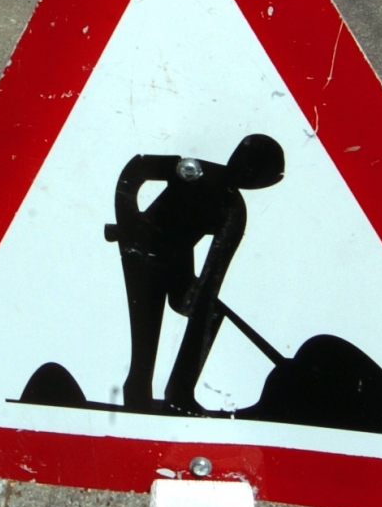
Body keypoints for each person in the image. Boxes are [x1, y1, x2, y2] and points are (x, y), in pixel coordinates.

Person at [104, 135, 285, 415]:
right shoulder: (196, 172)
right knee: (146, 325)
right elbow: (136, 170)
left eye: (256, 173)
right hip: (144, 252)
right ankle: (138, 390)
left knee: (209, 313)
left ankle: (180, 392)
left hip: (177, 264)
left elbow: (214, 272)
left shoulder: (234, 211)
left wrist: (201, 302)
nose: (246, 174)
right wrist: (130, 220)